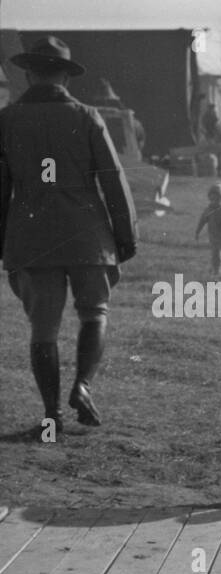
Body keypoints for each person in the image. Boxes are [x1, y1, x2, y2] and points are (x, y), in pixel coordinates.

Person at [0, 36, 137, 435]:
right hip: (87, 237)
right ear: (66, 77)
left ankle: (51, 414)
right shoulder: (87, 117)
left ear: (28, 73)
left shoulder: (6, 120)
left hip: (30, 237)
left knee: (43, 329)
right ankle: (82, 385)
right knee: (94, 313)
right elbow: (113, 180)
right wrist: (124, 235)